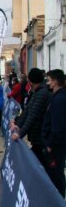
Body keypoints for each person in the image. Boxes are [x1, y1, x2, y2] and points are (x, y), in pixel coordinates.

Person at [11, 68, 51, 166]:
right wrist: (17, 124)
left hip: (41, 137)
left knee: (41, 166)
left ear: (30, 80)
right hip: (37, 137)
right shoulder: (37, 92)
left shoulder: (42, 93)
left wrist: (20, 133)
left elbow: (32, 115)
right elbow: (27, 111)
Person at [41, 69, 66, 198]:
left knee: (56, 176)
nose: (47, 83)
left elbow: (58, 126)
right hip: (54, 145)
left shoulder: (59, 99)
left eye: (49, 80)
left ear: (55, 82)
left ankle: (59, 200)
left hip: (55, 147)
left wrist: (50, 145)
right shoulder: (57, 97)